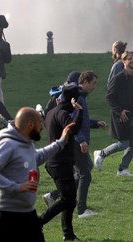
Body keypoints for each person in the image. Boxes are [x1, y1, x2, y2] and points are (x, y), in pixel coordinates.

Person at [0, 107, 75, 242]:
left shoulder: (27, 144)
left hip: (28, 215)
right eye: (40, 123)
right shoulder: (7, 144)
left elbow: (38, 156)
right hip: (6, 218)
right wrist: (17, 187)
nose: (42, 127)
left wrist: (61, 142)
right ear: (30, 124)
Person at [43, 71, 106, 219]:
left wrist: (95, 123)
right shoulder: (77, 97)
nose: (95, 86)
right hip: (76, 141)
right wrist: (81, 139)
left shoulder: (81, 97)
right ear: (83, 82)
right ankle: (82, 210)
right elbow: (71, 122)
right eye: (93, 83)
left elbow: (80, 120)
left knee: (85, 169)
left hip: (77, 140)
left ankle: (52, 195)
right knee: (85, 175)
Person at [94, 51, 133, 176]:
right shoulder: (118, 78)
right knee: (123, 144)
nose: (132, 60)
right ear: (123, 62)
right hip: (122, 116)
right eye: (129, 59)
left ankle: (122, 169)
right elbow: (109, 97)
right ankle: (101, 153)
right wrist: (119, 111)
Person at [39, 83, 83, 241]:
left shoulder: (52, 111)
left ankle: (68, 235)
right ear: (73, 100)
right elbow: (74, 129)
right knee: (68, 199)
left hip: (54, 162)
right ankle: (38, 222)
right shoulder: (63, 113)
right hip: (60, 163)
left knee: (69, 200)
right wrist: (80, 111)